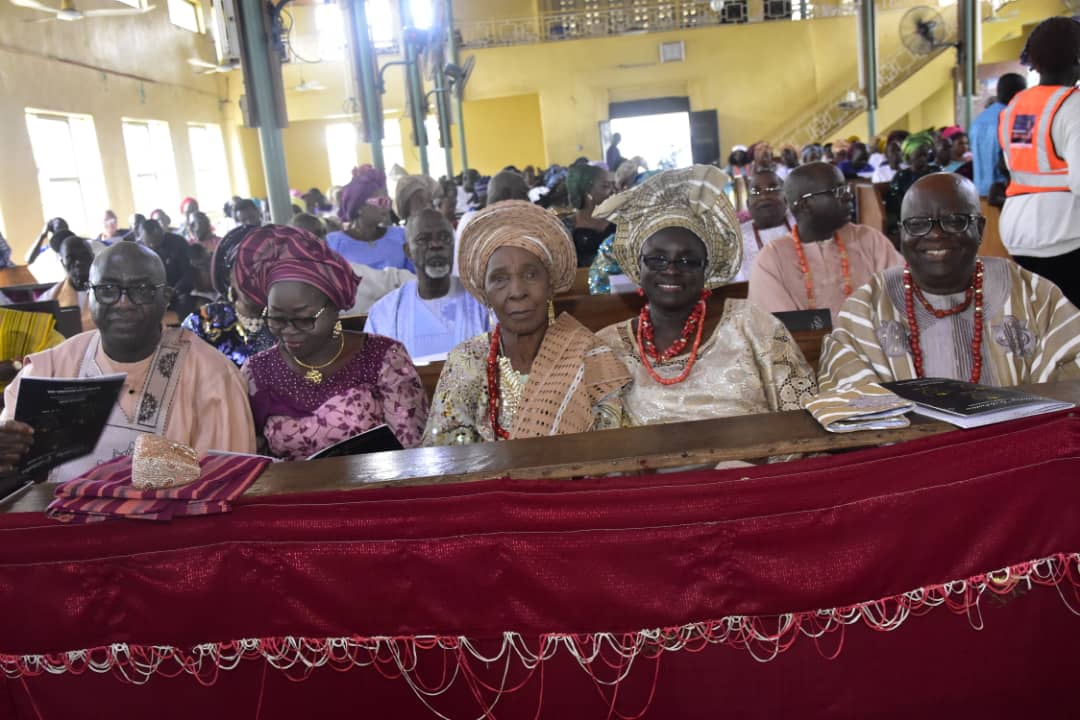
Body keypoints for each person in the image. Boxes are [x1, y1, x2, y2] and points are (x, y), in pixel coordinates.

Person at [0, 243, 257, 482]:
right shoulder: (51, 368)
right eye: (107, 290)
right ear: (89, 294)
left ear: (166, 297)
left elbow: (227, 484)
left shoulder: (212, 377)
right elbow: (14, 475)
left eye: (142, 290)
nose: (124, 304)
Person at [592, 166, 815, 427]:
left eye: (687, 261)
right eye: (657, 259)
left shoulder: (753, 325)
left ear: (706, 268)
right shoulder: (608, 346)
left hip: (750, 467)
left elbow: (801, 421)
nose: (672, 270)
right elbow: (603, 444)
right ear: (637, 265)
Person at [818, 173, 1080, 392]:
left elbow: (1072, 367)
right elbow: (846, 392)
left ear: (979, 229)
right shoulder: (867, 306)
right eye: (918, 224)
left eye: (954, 221)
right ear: (901, 234)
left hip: (1021, 446)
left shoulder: (1032, 294)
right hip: (910, 449)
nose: (935, 234)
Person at [423, 200, 631, 445]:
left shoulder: (589, 355)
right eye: (499, 279)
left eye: (531, 275)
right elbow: (443, 455)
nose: (517, 291)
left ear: (551, 284)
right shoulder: (466, 362)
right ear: (485, 293)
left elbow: (612, 450)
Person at [237, 225, 428, 460]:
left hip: (377, 491)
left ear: (334, 308)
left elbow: (412, 450)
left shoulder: (384, 358)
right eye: (276, 318)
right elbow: (250, 458)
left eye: (304, 319)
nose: (288, 330)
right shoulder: (257, 372)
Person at [749, 161, 902, 320]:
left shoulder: (870, 239)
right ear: (805, 204)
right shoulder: (771, 260)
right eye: (838, 191)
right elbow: (780, 330)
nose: (848, 196)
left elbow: (901, 298)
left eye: (846, 188)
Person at [998, 16, 1080, 306]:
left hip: (1018, 234)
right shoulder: (1073, 106)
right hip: (1066, 233)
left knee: (1041, 321)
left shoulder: (1016, 106)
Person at [365, 209, 490, 359]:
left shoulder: (482, 303)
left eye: (445, 238)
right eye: (423, 239)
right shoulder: (385, 314)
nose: (436, 245)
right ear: (408, 251)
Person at [181, 225, 276, 368]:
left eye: (268, 267)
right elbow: (166, 379)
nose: (257, 277)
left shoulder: (297, 321)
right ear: (228, 276)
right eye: (247, 267)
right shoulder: (202, 323)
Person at [325, 165, 414, 272]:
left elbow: (412, 277)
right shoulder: (334, 243)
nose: (387, 207)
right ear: (359, 206)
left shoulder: (400, 236)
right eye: (381, 202)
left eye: (388, 201)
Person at [969, 73, 1027, 199]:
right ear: (1021, 93)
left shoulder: (978, 120)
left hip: (979, 195)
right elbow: (1021, 161)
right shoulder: (1018, 119)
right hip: (1005, 196)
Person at [735, 169, 795, 282]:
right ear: (748, 204)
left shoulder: (802, 224)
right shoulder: (736, 239)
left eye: (772, 189)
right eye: (756, 192)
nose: (764, 196)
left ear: (786, 199)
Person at [884, 132, 941, 239]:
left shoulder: (935, 171)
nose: (923, 159)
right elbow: (894, 204)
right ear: (909, 157)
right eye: (919, 156)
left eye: (925, 155)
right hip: (911, 220)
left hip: (936, 216)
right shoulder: (901, 177)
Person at [40, 234, 95, 331]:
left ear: (93, 258)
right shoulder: (51, 297)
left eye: (84, 256)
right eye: (71, 258)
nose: (78, 262)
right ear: (63, 263)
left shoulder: (111, 290)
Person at [565, 163, 616, 267]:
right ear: (587, 190)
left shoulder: (621, 220)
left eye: (613, 185)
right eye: (606, 186)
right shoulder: (567, 226)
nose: (613, 191)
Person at [136, 219, 193, 309]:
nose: (151, 246)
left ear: (158, 231)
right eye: (147, 243)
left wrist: (174, 290)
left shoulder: (178, 243)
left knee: (185, 301)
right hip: (155, 291)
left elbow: (188, 274)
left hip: (178, 289)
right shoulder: (141, 249)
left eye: (152, 242)